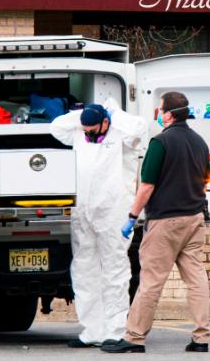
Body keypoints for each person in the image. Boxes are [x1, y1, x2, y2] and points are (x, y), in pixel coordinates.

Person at [103, 91, 210, 354]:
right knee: (197, 279)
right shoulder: (200, 143)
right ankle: (201, 338)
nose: (158, 114)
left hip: (165, 221)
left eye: (160, 110)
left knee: (151, 280)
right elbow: (206, 178)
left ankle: (134, 337)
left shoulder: (160, 142)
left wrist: (131, 217)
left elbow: (146, 186)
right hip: (195, 219)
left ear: (169, 114)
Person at [50, 98, 147, 348]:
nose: (90, 136)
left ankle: (114, 330)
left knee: (114, 271)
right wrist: (84, 114)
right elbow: (56, 127)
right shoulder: (80, 136)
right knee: (83, 270)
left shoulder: (122, 136)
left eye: (94, 130)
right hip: (83, 212)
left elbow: (139, 127)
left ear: (106, 122)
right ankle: (91, 330)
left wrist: (113, 113)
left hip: (112, 212)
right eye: (87, 131)